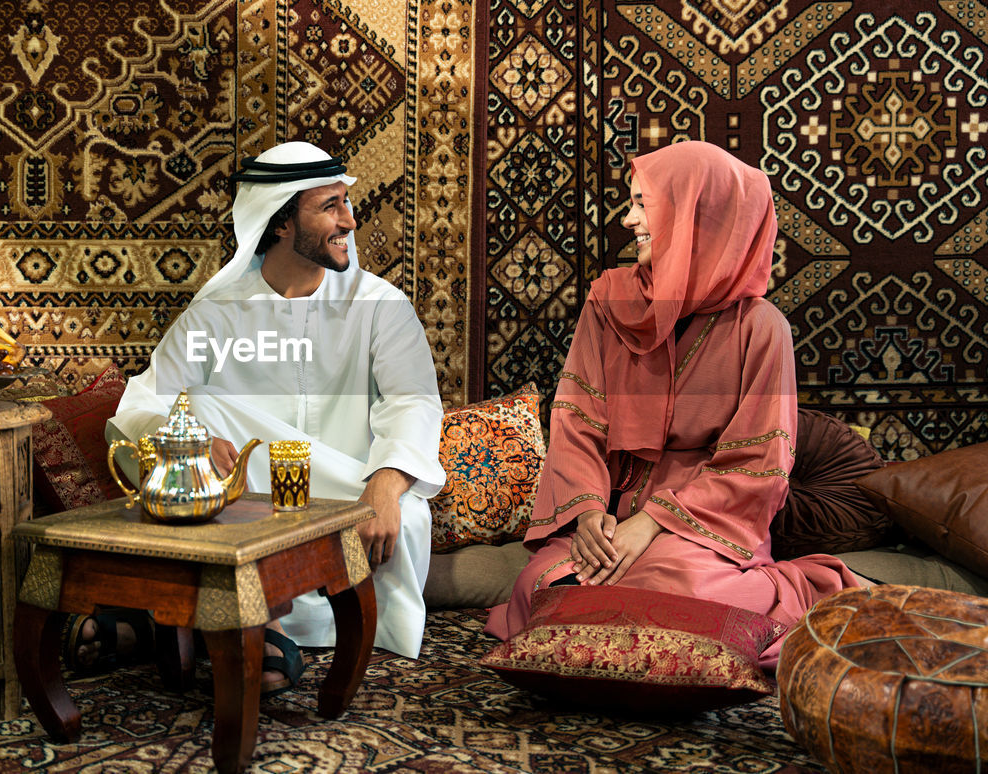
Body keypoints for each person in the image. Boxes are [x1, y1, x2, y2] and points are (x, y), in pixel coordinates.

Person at [485, 140, 862, 669]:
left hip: (704, 532)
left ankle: (778, 595)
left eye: (644, 204)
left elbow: (759, 468)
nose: (628, 218)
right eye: (631, 201)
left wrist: (653, 523)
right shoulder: (609, 302)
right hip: (613, 517)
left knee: (679, 589)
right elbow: (576, 424)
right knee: (544, 583)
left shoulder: (760, 328)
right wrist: (591, 514)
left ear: (697, 215)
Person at [92, 141, 445, 694]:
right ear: (280, 223)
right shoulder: (218, 310)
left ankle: (164, 617)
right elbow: (141, 404)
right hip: (248, 501)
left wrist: (384, 485)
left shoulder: (382, 305)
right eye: (331, 206)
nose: (349, 221)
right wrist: (193, 441)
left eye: (346, 203)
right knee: (193, 414)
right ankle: (260, 623)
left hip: (345, 492)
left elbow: (414, 403)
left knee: (407, 516)